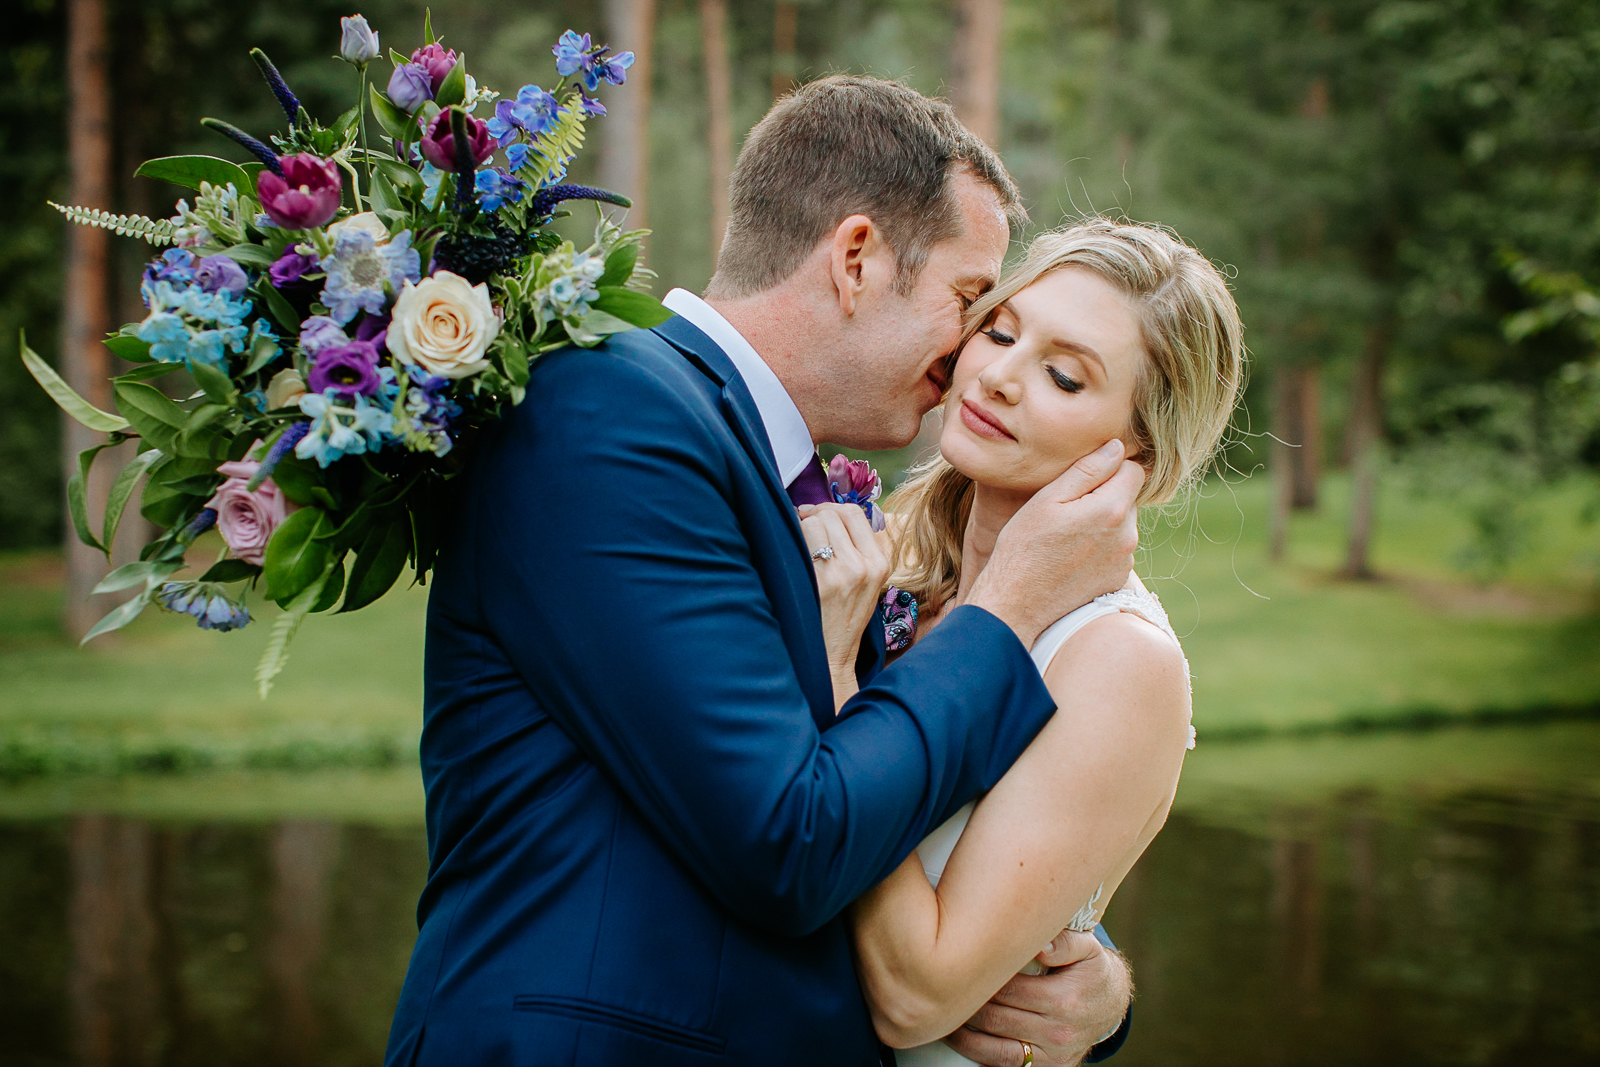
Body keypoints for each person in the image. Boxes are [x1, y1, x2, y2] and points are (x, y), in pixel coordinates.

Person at [385, 77, 1143, 1067]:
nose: (971, 354)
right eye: (969, 302)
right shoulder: (610, 417)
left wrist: (1083, 977)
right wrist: (1007, 608)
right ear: (857, 259)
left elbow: (888, 789)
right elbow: (792, 839)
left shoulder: (788, 480)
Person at [804, 220, 1244, 1066]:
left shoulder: (1118, 661)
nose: (1000, 376)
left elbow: (914, 995)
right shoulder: (891, 564)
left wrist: (833, 675)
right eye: (1001, 332)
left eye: (1064, 375)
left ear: (1138, 448)